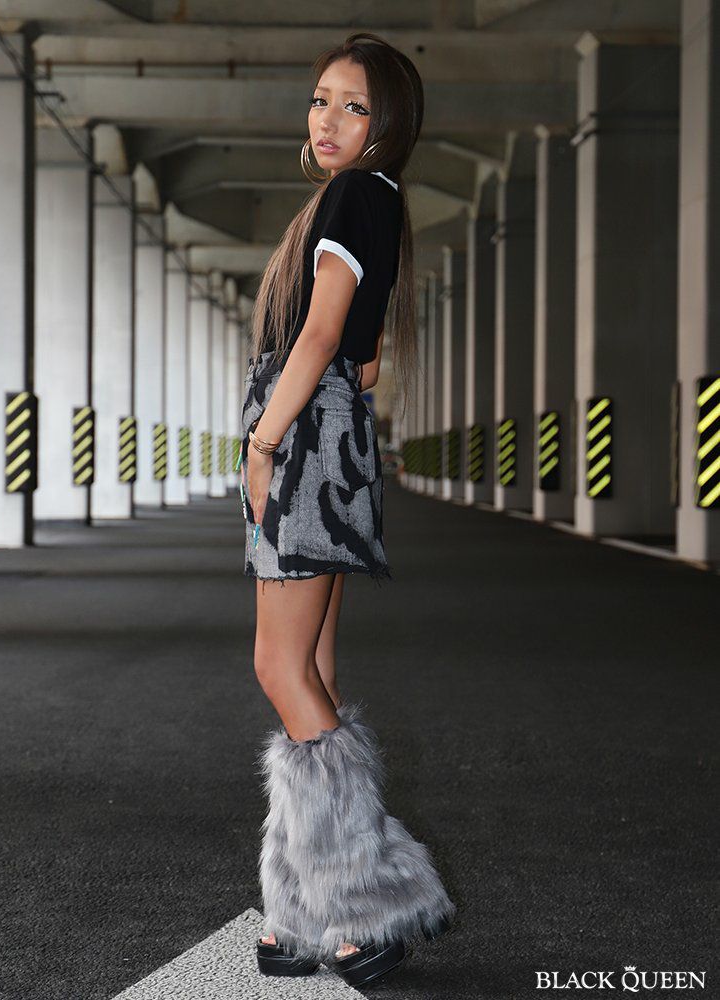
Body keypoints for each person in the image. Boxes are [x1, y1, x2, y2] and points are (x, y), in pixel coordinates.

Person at [237, 31, 456, 989]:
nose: (330, 119)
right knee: (311, 671)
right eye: (322, 98)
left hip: (303, 442)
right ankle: (303, 909)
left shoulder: (352, 196)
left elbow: (324, 333)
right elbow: (364, 364)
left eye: (355, 106)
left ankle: (372, 896)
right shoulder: (379, 203)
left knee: (279, 666)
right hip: (335, 439)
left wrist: (263, 441)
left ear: (387, 124)